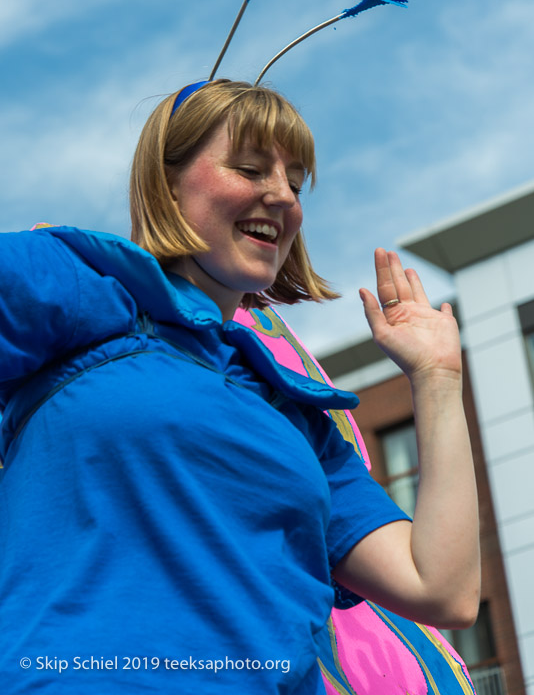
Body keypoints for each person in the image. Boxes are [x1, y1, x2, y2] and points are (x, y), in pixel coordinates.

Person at [0, 79, 480, 694]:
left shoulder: (298, 413)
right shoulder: (83, 284)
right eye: (249, 168)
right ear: (166, 183)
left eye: (296, 182)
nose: (281, 196)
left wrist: (437, 381)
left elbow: (441, 588)